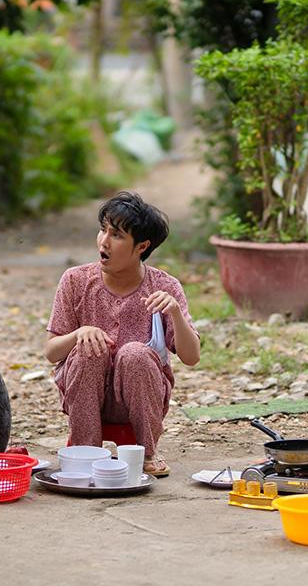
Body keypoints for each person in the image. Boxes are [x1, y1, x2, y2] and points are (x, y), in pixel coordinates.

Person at [43, 192, 200, 477]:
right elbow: (52, 351)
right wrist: (79, 333)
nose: (104, 241)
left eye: (116, 235)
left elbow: (191, 357)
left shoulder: (164, 287)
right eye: (103, 230)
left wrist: (175, 313)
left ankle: (147, 450)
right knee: (88, 348)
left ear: (142, 246)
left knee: (135, 353)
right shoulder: (76, 280)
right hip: (85, 392)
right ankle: (85, 450)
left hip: (141, 394)